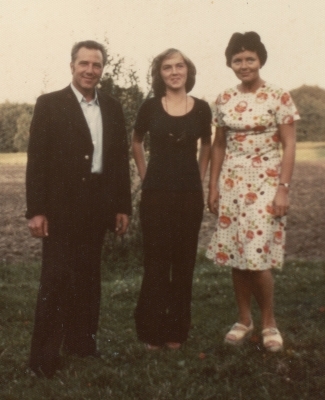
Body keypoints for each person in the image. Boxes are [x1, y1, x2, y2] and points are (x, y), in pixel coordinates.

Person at [26, 40, 131, 377]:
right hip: (59, 208)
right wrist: (36, 211)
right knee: (55, 279)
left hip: (97, 206)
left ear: (102, 69)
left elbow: (117, 162)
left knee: (87, 278)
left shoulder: (112, 107)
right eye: (83, 63)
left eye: (96, 64)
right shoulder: (49, 104)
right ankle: (43, 358)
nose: (90, 70)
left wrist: (121, 207)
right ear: (71, 66)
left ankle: (81, 344)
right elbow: (37, 162)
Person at [206, 32, 299, 352]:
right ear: (230, 63)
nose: (244, 65)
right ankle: (243, 319)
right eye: (237, 60)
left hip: (267, 183)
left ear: (260, 60)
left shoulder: (279, 96)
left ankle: (269, 322)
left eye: (250, 59)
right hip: (232, 183)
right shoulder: (224, 99)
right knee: (236, 252)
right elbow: (219, 145)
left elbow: (289, 145)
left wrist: (283, 189)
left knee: (257, 255)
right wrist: (213, 186)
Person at [132, 48, 212, 350]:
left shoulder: (203, 108)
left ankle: (176, 331)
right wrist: (145, 175)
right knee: (155, 262)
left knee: (183, 262)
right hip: (156, 195)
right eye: (168, 67)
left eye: (180, 66)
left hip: (189, 195)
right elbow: (136, 142)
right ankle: (151, 331)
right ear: (160, 74)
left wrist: (200, 176)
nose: (175, 72)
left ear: (188, 72)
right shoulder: (150, 107)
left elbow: (208, 144)